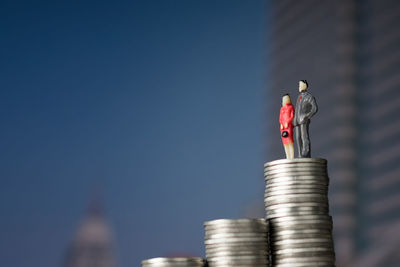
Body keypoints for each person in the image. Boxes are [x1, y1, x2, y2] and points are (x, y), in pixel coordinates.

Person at [294, 80, 318, 158]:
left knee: (304, 137)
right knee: (298, 137)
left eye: (300, 85)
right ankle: (300, 153)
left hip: (303, 120)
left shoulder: (309, 97)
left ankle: (305, 153)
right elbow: (297, 109)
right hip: (297, 121)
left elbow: (314, 108)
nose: (299, 87)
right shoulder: (299, 97)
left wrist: (307, 116)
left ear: (305, 86)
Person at [280, 94, 295, 159]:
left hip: (288, 126)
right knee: (285, 143)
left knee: (290, 141)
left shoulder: (291, 107)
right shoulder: (282, 109)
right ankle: (287, 156)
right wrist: (281, 123)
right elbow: (280, 118)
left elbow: (292, 116)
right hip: (283, 127)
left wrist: (288, 122)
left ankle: (291, 157)